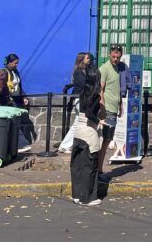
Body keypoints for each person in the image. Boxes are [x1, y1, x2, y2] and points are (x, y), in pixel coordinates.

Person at [70, 57, 104, 206]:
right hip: (89, 131)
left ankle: (77, 195)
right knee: (90, 166)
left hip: (78, 130)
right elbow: (91, 114)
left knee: (77, 165)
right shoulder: (95, 96)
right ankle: (88, 197)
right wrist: (99, 121)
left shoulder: (82, 92)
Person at [97, 44, 131, 175]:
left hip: (114, 108)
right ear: (109, 55)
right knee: (104, 141)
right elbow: (101, 90)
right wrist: (102, 110)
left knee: (106, 141)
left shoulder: (120, 69)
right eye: (113, 56)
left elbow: (117, 88)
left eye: (117, 57)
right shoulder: (105, 68)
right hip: (106, 110)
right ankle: (98, 170)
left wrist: (120, 105)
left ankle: (99, 169)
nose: (115, 59)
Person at [59, 52, 88, 154]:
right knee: (78, 122)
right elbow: (82, 85)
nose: (89, 60)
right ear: (82, 60)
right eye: (87, 58)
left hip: (81, 99)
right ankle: (65, 145)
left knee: (78, 122)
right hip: (80, 99)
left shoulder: (83, 71)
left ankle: (69, 144)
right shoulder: (79, 72)